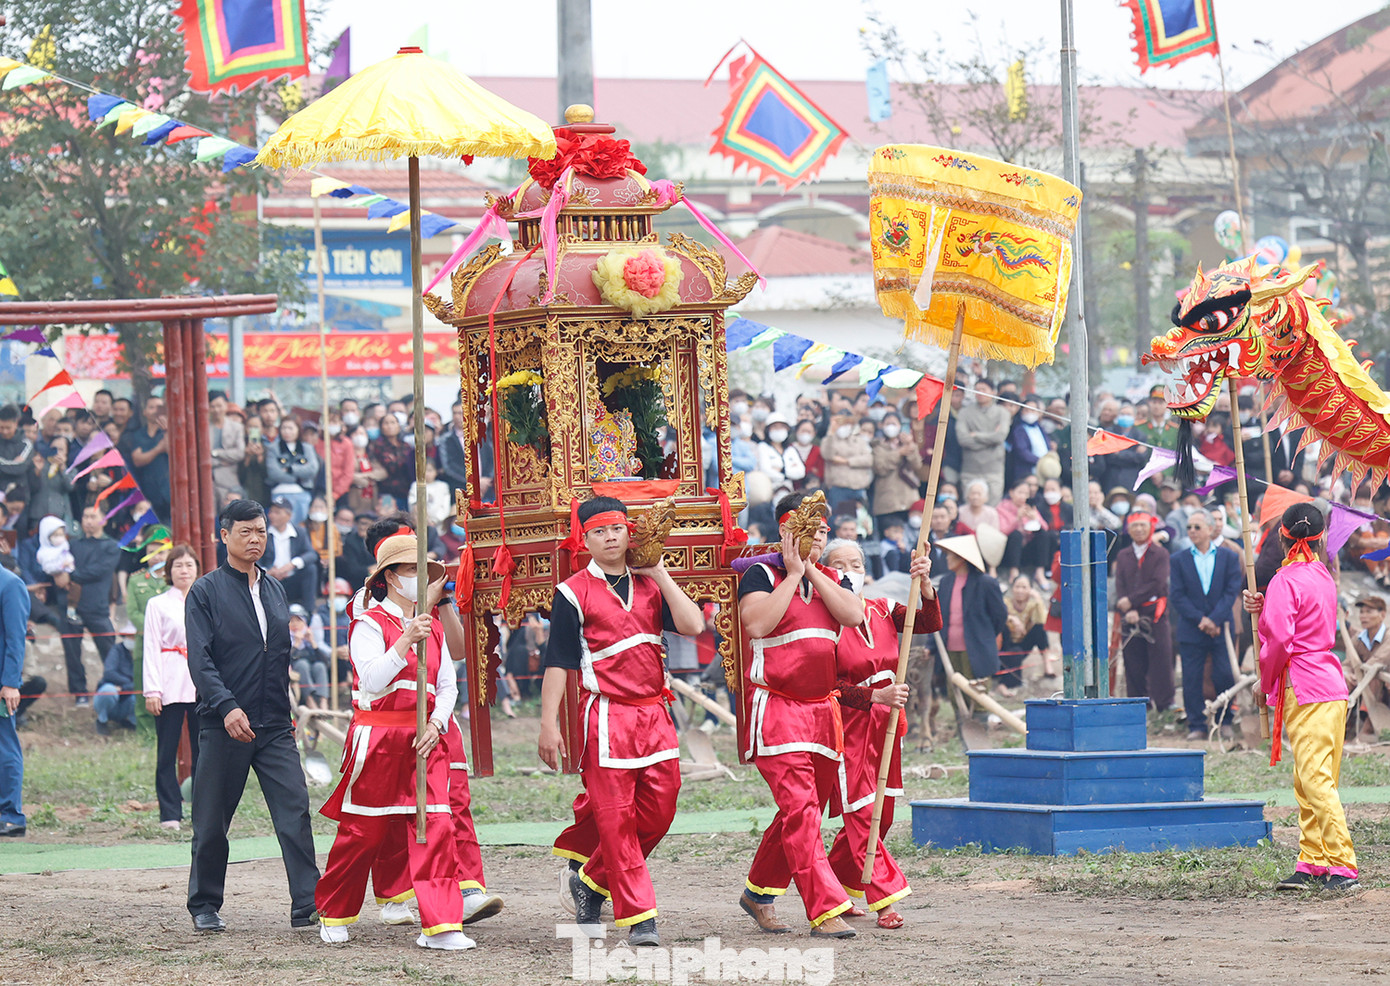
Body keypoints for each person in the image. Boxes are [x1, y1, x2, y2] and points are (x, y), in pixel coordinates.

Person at [540, 496, 705, 947]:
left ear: (630, 532)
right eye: (598, 532)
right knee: (616, 821)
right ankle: (640, 919)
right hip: (606, 715)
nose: (610, 538)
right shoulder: (572, 592)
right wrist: (548, 724)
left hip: (655, 713)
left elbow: (693, 626)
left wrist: (660, 573)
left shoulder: (651, 585)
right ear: (585, 540)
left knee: (658, 812)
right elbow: (559, 662)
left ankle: (590, 881)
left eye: (616, 529)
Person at [316, 530, 475, 950]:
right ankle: (334, 910)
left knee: (435, 830)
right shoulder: (368, 623)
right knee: (362, 833)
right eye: (410, 570)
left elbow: (447, 685)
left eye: (424, 571)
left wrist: (437, 724)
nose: (419, 579)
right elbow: (371, 678)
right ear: (388, 577)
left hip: (425, 741)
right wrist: (406, 640)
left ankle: (442, 925)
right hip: (380, 740)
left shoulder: (435, 626)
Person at [185, 499, 320, 933]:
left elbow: (278, 655)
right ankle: (204, 904)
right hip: (225, 723)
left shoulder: (276, 589)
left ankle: (308, 904)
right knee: (211, 820)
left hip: (275, 723)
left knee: (295, 811)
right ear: (224, 536)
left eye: (261, 531)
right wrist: (226, 706)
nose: (255, 539)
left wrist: (287, 707)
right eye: (245, 531)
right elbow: (200, 660)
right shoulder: (205, 591)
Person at [737, 491, 864, 939]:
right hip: (777, 709)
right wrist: (791, 575)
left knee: (802, 813)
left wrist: (810, 569)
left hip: (823, 713)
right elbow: (756, 625)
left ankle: (758, 894)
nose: (816, 538)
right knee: (802, 808)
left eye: (822, 531)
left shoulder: (832, 577)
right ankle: (825, 910)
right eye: (806, 530)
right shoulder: (759, 574)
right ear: (785, 532)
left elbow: (853, 614)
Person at [821, 539, 938, 929]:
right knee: (862, 813)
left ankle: (835, 884)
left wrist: (923, 583)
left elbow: (927, 622)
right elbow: (827, 686)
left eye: (856, 564)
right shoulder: (821, 621)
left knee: (883, 813)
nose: (849, 570)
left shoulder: (883, 608)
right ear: (824, 571)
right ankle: (885, 899)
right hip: (847, 724)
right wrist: (875, 695)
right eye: (839, 564)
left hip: (886, 721)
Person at [1243, 503, 1358, 890]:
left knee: (1315, 780)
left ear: (1282, 537)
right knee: (1309, 779)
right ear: (1322, 537)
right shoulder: (1323, 575)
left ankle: (1342, 864)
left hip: (1304, 686)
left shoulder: (1284, 580)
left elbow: (1278, 640)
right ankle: (1313, 860)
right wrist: (1263, 609)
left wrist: (1264, 679)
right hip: (1331, 684)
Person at [1170, 510, 1243, 740]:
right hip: (1192, 628)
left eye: (1197, 527)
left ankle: (1225, 720)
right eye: (1189, 527)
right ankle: (1197, 725)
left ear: (1210, 530)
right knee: (1191, 678)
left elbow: (1231, 592)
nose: (1192, 531)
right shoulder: (1178, 559)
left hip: (1221, 628)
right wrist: (1201, 620)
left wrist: (1214, 619)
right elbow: (1178, 595)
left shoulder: (1228, 557)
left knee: (1224, 674)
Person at [142, 543, 200, 830]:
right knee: (166, 752)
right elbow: (151, 647)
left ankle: (205, 811)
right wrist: (152, 690)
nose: (184, 570)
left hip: (202, 684)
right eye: (178, 565)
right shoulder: (158, 604)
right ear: (169, 571)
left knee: (205, 751)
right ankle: (170, 813)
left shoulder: (207, 601)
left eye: (189, 565)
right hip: (169, 683)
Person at [1113, 512, 1174, 711]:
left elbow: (1158, 583)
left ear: (1151, 528)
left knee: (1161, 659)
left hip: (1154, 612)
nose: (1139, 529)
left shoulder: (1160, 553)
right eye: (1135, 526)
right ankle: (1138, 705)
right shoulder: (1123, 555)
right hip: (1128, 614)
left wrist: (1131, 602)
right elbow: (1120, 583)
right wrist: (1127, 608)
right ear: (1128, 530)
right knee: (1133, 661)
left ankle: (1165, 704)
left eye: (1143, 525)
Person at [935, 534, 1008, 689]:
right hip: (950, 646)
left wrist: (984, 633)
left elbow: (999, 615)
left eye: (950, 556)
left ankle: (979, 715)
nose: (947, 559)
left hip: (976, 646)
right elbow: (938, 615)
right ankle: (960, 714)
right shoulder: (946, 582)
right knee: (955, 691)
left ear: (961, 558)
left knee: (976, 691)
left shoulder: (986, 583)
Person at [70, 505, 122, 686]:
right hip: (73, 607)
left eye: (93, 517)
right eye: (85, 517)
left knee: (109, 649)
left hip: (98, 607)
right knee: (72, 653)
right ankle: (79, 692)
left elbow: (98, 571)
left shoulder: (112, 546)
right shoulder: (73, 545)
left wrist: (71, 574)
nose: (88, 521)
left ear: (104, 520)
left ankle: (114, 685)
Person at [0, 559, 31, 836]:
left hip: (1, 684)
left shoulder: (10, 584)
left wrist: (10, 682)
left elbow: (15, 638)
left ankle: (11, 815)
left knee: (4, 745)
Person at [956, 379, 1010, 502]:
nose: (980, 393)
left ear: (993, 392)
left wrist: (976, 435)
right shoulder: (965, 413)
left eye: (983, 389)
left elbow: (1000, 437)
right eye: (977, 390)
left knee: (992, 510)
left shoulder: (1002, 413)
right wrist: (991, 440)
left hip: (993, 471)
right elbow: (963, 439)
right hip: (970, 470)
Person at [265, 498, 320, 613]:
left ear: (288, 516)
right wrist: (267, 571)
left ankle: (308, 612)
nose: (272, 515)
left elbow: (311, 554)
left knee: (311, 569)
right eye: (271, 512)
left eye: (277, 512)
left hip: (292, 578)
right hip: (270, 579)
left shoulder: (299, 532)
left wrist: (292, 565)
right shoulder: (263, 533)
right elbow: (256, 559)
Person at [1002, 574, 1056, 685]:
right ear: (1012, 588)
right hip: (1007, 644)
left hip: (1023, 644)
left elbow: (1042, 621)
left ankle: (1047, 664)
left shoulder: (1032, 604)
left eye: (1024, 587)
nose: (1020, 591)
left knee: (1039, 628)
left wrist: (1038, 599)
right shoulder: (1005, 602)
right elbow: (997, 618)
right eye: (1017, 587)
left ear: (1030, 590)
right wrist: (1012, 619)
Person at [266, 417, 320, 525]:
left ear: (298, 430)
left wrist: (291, 469)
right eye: (284, 428)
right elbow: (274, 473)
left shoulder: (307, 448)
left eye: (290, 428)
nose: (287, 431)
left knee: (300, 525)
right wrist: (299, 476)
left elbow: (312, 469)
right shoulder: (273, 448)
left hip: (302, 492)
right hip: (280, 491)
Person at [128, 395, 171, 522]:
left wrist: (167, 431)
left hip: (168, 491)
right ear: (144, 412)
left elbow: (171, 452)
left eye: (159, 407)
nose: (156, 411)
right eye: (152, 407)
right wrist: (158, 449)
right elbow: (138, 460)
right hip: (147, 491)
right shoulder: (139, 434)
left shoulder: (170, 431)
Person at [820, 411, 873, 513]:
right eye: (842, 423)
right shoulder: (828, 440)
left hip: (858, 488)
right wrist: (831, 432)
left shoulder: (860, 441)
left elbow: (869, 459)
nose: (845, 426)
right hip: (838, 489)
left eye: (848, 423)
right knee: (838, 519)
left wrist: (846, 461)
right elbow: (828, 455)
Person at [93, 631, 138, 734]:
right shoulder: (117, 650)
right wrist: (128, 683)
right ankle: (102, 720)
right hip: (113, 691)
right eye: (129, 636)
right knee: (109, 691)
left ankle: (131, 721)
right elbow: (109, 673)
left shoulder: (145, 653)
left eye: (134, 637)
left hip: (128, 696)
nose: (132, 639)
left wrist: (126, 687)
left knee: (142, 694)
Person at [208, 391, 246, 506]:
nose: (216, 410)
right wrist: (222, 461)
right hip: (207, 480)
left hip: (229, 481)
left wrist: (215, 453)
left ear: (226, 405)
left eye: (219, 405)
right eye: (212, 406)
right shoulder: (202, 427)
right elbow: (200, 456)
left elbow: (240, 453)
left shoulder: (236, 427)